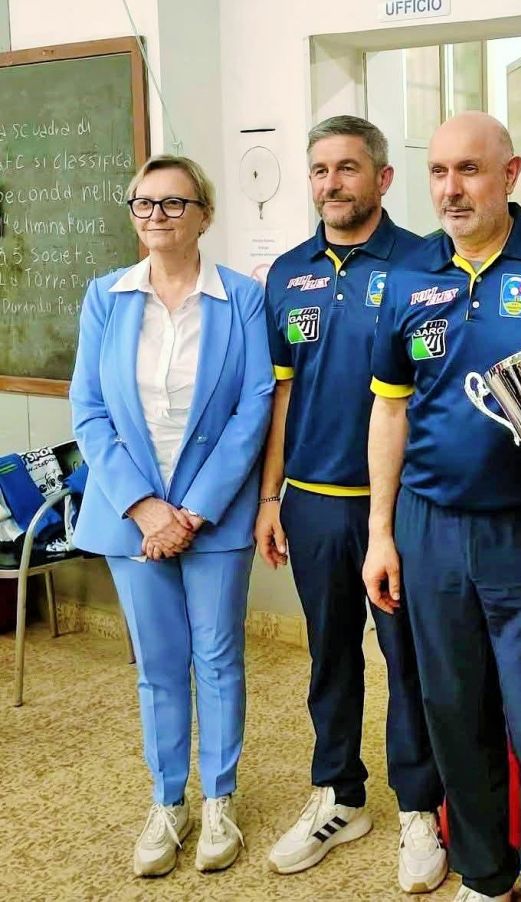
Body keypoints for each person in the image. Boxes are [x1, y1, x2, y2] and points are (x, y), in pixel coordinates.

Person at [364, 111, 521, 902]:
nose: (451, 189)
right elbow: (390, 409)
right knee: (453, 711)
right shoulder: (408, 276)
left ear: (512, 173)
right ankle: (485, 873)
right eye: (438, 172)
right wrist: (380, 533)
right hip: (430, 527)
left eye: (469, 170)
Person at [69, 154, 273, 876]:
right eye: (144, 203)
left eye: (174, 203)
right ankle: (168, 801)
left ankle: (218, 799)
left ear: (204, 215)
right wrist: (145, 507)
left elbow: (254, 406)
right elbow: (89, 410)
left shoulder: (241, 297)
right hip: (131, 515)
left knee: (216, 657)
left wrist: (191, 511)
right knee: (158, 665)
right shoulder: (105, 297)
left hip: (212, 515)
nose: (156, 215)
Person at [257, 115, 445, 891]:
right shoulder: (286, 273)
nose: (331, 183)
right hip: (313, 503)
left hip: (402, 507)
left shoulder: (427, 264)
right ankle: (339, 794)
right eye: (319, 169)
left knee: (410, 661)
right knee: (329, 656)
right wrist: (270, 495)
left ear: (382, 178)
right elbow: (281, 394)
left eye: (347, 168)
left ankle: (420, 807)